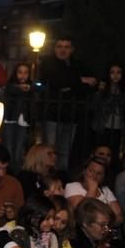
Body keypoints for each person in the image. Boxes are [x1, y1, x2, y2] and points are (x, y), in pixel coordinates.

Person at [37, 36, 97, 171]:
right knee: (50, 151)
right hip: (52, 113)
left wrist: (72, 84)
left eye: (66, 47)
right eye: (59, 46)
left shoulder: (78, 64)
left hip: (71, 115)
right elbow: (58, 82)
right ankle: (47, 178)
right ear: (54, 48)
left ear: (72, 49)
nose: (62, 50)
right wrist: (80, 81)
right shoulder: (48, 63)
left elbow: (90, 84)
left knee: (65, 152)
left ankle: (61, 180)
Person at [91, 64, 125, 171]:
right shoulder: (104, 88)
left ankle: (110, 172)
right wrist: (101, 91)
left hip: (118, 127)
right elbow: (95, 105)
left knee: (113, 152)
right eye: (112, 72)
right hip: (103, 126)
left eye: (118, 72)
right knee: (100, 150)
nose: (115, 75)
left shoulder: (123, 90)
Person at [65, 156, 123, 225]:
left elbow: (119, 217)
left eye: (99, 173)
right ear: (84, 171)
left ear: (103, 177)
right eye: (91, 171)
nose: (94, 176)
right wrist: (92, 188)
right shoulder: (72, 186)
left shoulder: (106, 190)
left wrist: (102, 223)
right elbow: (84, 214)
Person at [2, 62, 33, 172]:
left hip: (23, 122)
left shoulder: (31, 88)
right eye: (20, 72)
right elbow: (10, 90)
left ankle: (16, 173)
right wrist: (20, 89)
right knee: (9, 148)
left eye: (26, 73)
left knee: (19, 150)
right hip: (10, 120)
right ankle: (9, 171)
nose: (23, 75)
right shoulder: (10, 87)